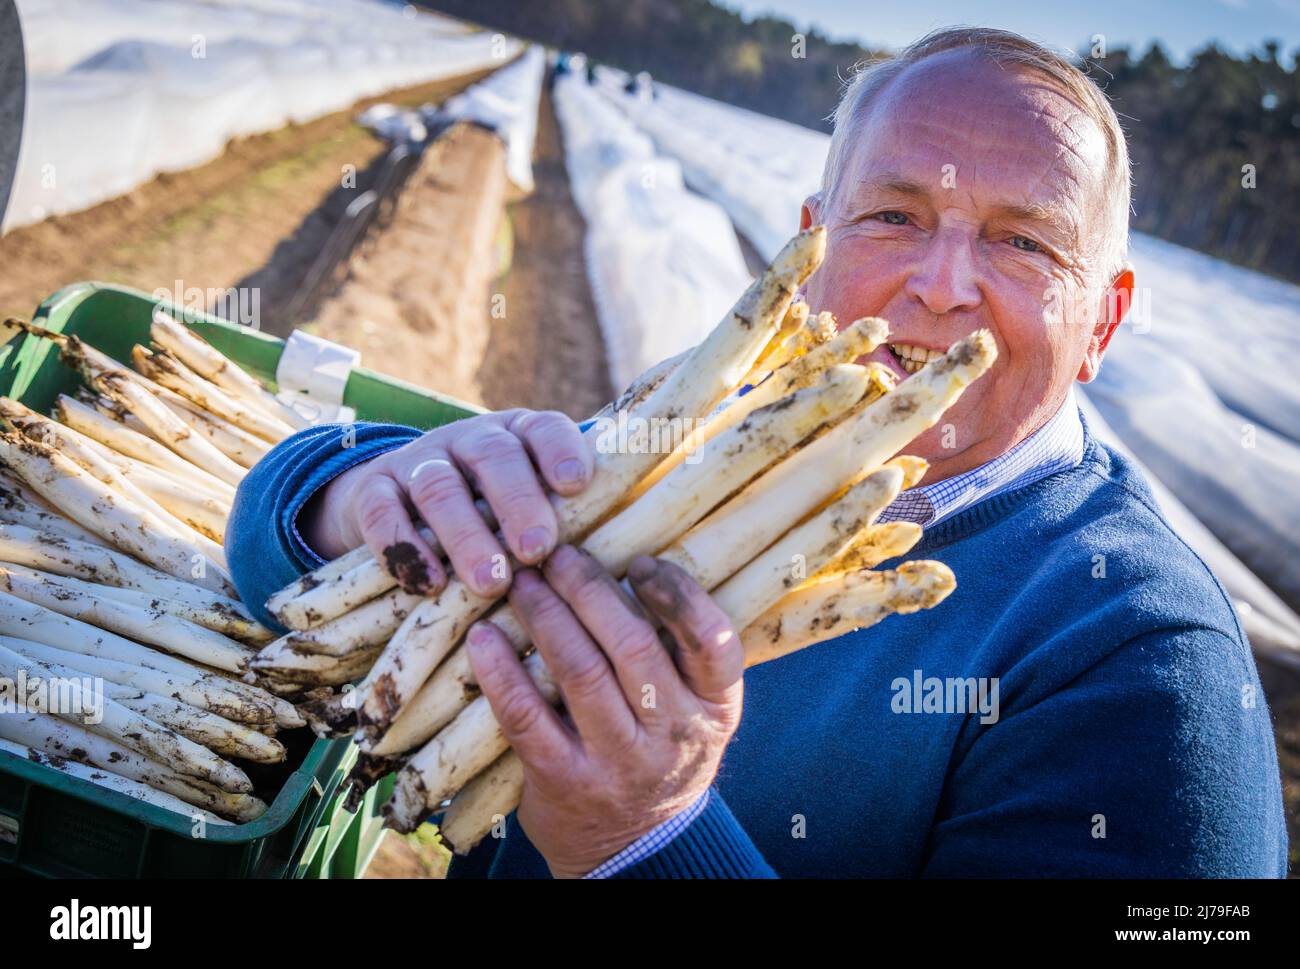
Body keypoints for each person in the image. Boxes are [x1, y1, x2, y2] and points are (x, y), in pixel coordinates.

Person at [227, 27, 1287, 878]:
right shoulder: (732, 422)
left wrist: (647, 840)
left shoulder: (1145, 664)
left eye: (1024, 242)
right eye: (891, 215)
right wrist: (345, 496)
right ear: (809, 247)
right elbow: (299, 612)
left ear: (1104, 322)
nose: (942, 285)